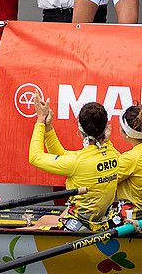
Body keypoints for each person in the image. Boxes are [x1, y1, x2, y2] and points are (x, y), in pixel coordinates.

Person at [27, 95, 119, 231]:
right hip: (98, 220)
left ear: (80, 131)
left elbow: (35, 157)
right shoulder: (113, 153)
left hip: (82, 225)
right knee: (43, 220)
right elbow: (61, 155)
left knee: (39, 224)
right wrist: (48, 128)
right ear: (106, 128)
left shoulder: (77, 162)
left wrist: (40, 121)